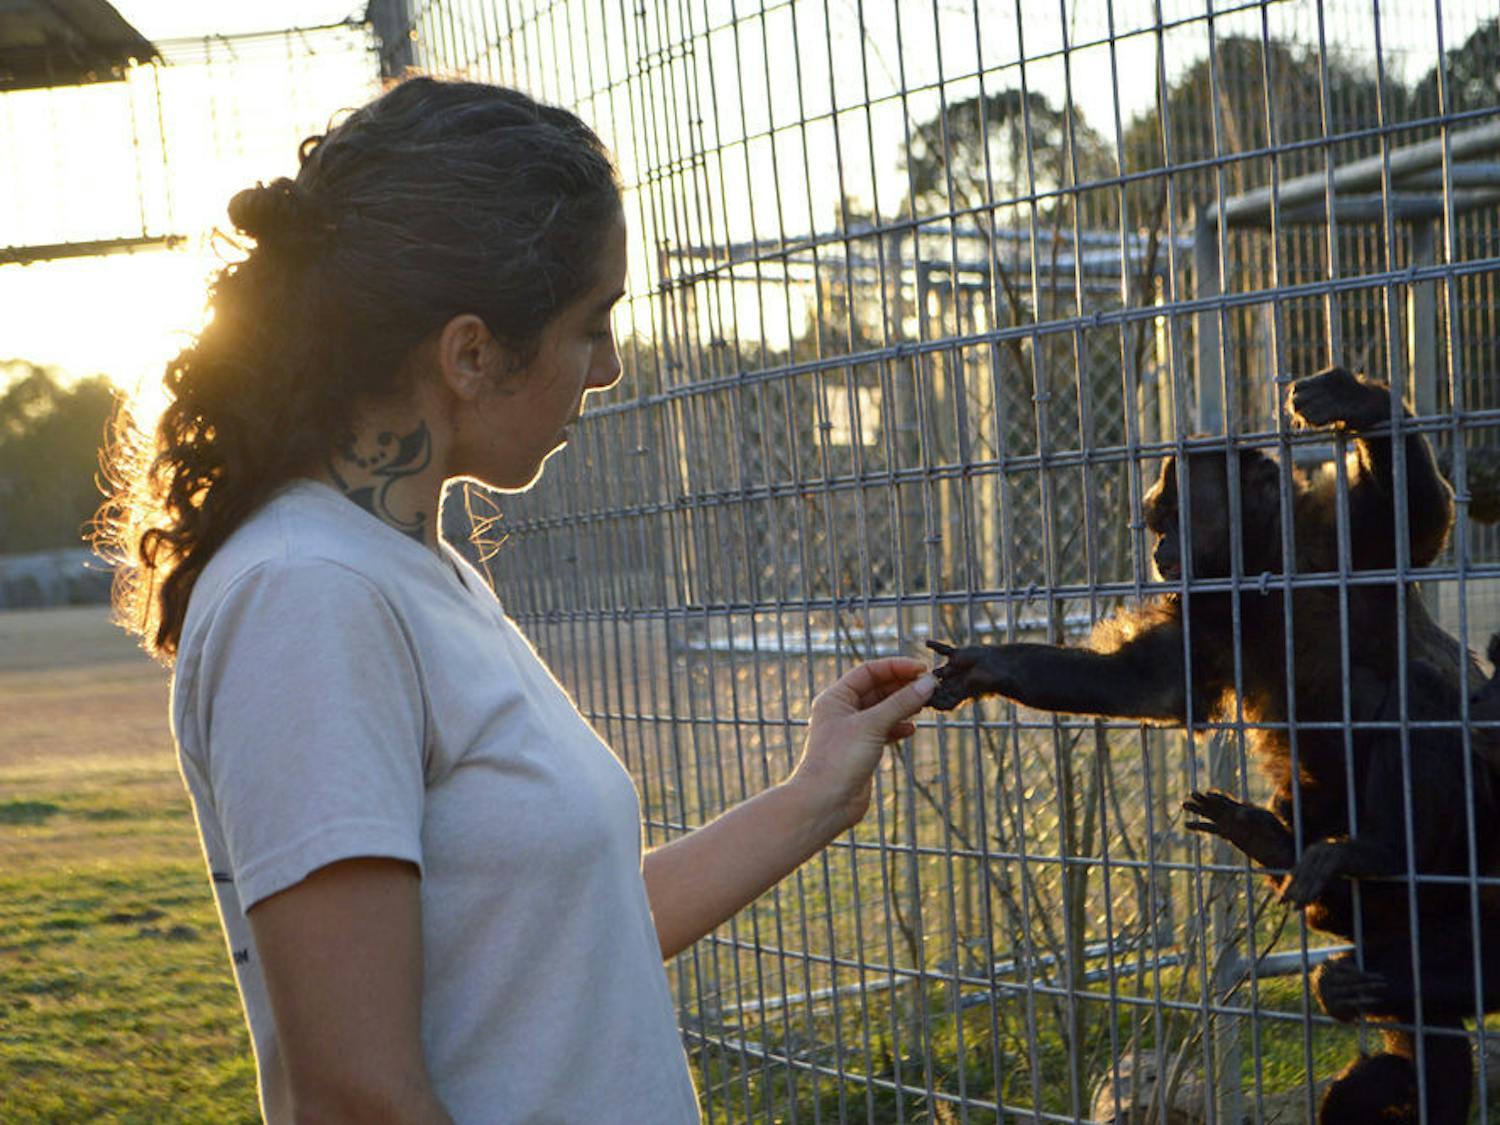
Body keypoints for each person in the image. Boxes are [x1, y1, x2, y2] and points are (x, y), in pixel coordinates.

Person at [97, 77, 935, 1125]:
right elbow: (360, 1097)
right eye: (593, 325)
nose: (612, 368)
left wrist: (814, 793)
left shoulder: (412, 571)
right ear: (471, 352)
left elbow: (556, 945)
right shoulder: (309, 597)